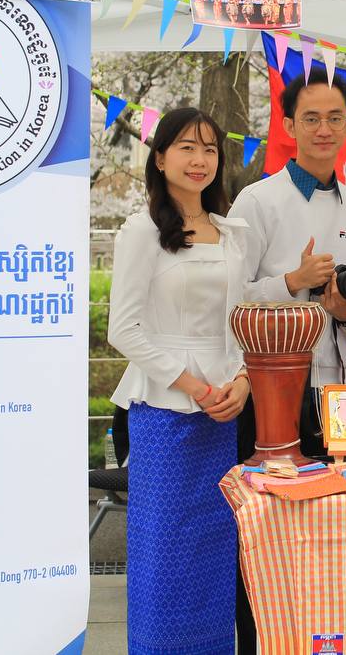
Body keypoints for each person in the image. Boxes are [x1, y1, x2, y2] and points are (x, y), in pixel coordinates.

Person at [228, 65, 346, 649]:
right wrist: (292, 281)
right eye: (310, 118)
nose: (323, 129)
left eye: (334, 118)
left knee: (331, 526)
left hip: (334, 389)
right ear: (288, 125)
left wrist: (344, 309)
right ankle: (259, 641)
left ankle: (323, 637)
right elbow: (230, 297)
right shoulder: (257, 199)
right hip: (265, 392)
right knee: (263, 529)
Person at [108, 107, 249, 655]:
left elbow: (240, 320)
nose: (200, 159)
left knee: (214, 546)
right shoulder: (142, 230)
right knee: (164, 550)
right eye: (187, 147)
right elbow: (123, 329)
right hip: (165, 410)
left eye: (210, 149)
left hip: (223, 410)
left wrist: (242, 380)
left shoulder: (231, 232)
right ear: (161, 157)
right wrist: (193, 385)